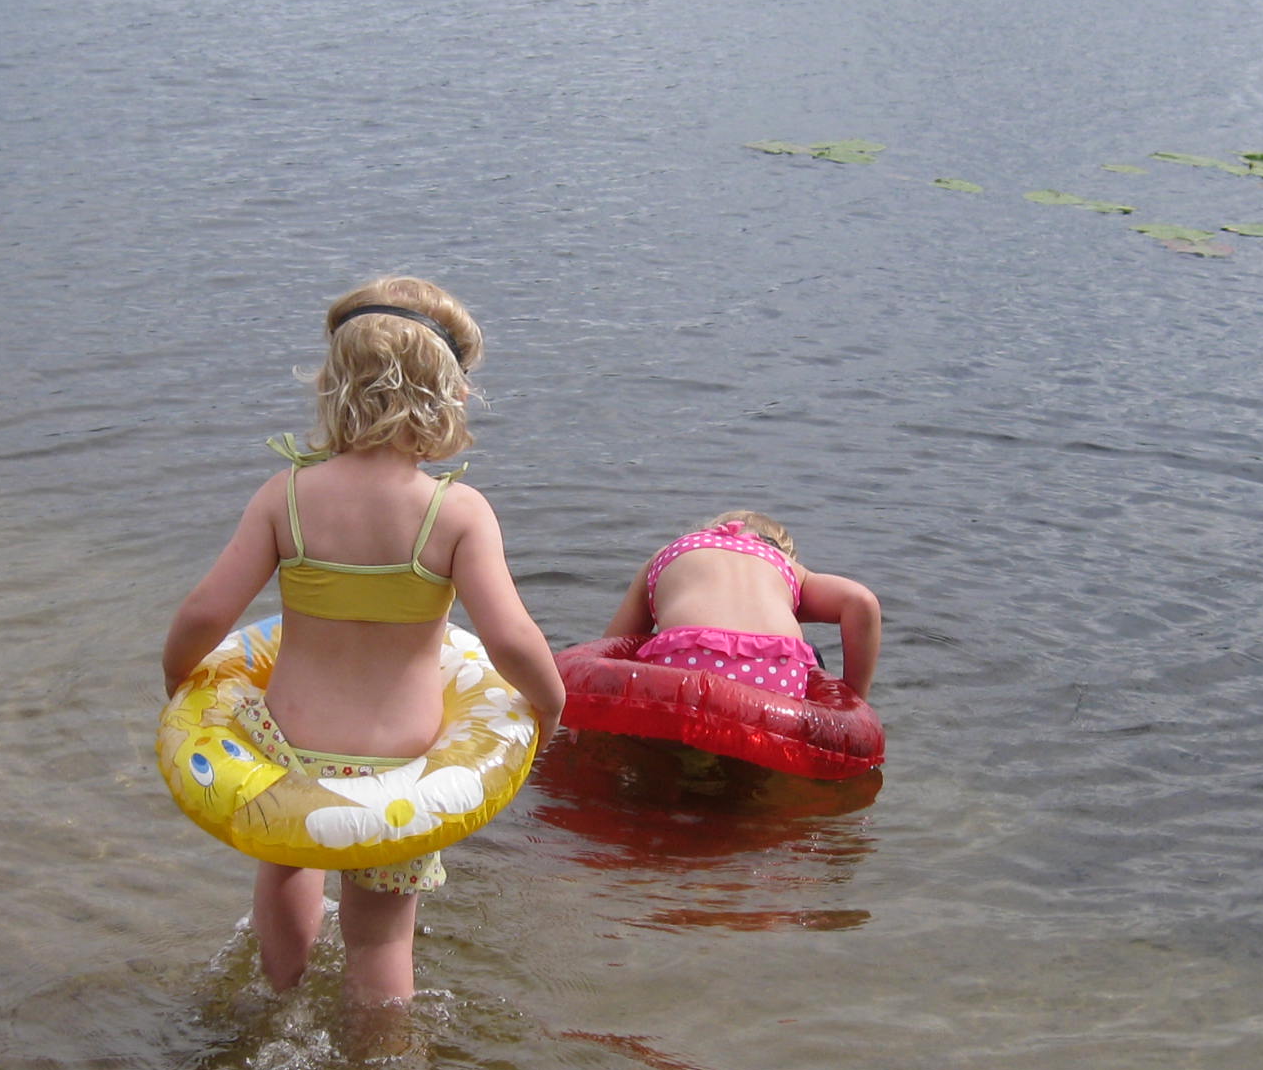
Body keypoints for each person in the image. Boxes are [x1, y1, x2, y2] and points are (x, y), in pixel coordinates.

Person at [162, 277, 563, 1014]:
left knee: (287, 867)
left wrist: (177, 682)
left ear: (332, 388)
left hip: (287, 747)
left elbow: (205, 611)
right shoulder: (456, 513)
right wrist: (551, 706)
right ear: (446, 397)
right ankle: (381, 1059)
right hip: (399, 766)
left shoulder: (286, 496)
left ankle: (278, 1004)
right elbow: (510, 639)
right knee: (380, 938)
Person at [600, 511, 880, 703]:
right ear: (782, 550)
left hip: (682, 669)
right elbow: (861, 601)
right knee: (810, 654)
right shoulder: (787, 568)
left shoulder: (666, 554)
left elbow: (613, 648)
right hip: (773, 673)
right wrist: (854, 700)